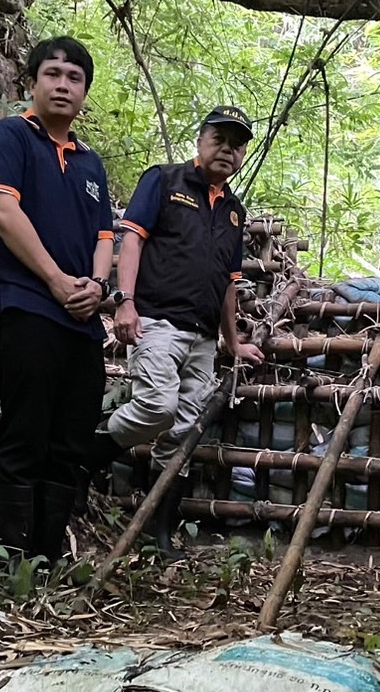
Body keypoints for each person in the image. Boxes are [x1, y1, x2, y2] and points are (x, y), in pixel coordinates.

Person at [86, 106, 265, 561]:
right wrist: (124, 301)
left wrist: (233, 339)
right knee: (156, 406)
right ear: (200, 141)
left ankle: (159, 532)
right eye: (219, 139)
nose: (228, 149)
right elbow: (133, 240)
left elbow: (228, 283)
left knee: (183, 432)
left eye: (237, 143)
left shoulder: (233, 212)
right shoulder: (164, 181)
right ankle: (85, 458)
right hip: (159, 321)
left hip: (203, 338)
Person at [0, 37, 113, 564]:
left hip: (80, 321)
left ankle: (46, 565)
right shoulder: (11, 137)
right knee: (25, 431)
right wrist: (56, 280)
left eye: (74, 78)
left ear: (83, 92)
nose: (62, 85)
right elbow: (2, 211)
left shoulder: (90, 164)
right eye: (53, 74)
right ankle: (13, 567)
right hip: (26, 303)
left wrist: (98, 288)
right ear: (32, 81)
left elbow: (105, 236)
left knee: (69, 441)